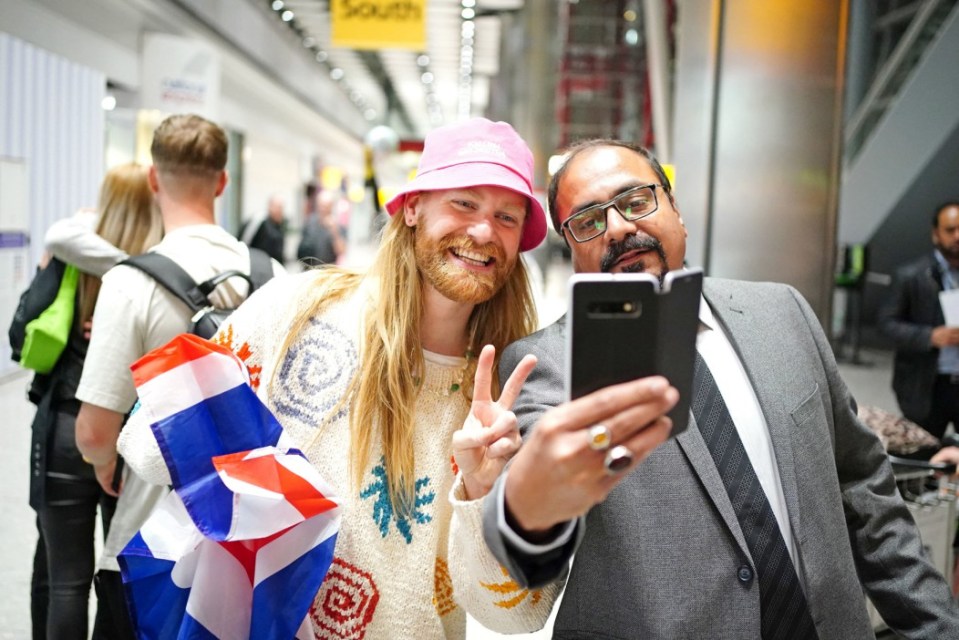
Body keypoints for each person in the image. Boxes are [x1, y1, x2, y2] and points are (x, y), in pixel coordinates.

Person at [483, 139, 959, 638]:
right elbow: (533, 522)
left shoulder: (784, 313)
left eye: (636, 201)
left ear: (676, 210)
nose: (620, 227)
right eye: (588, 221)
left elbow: (862, 482)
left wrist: (937, 625)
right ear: (571, 246)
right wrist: (528, 504)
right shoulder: (548, 365)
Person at [118, 118, 560, 638]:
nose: (484, 230)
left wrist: (484, 489)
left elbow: (517, 614)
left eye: (506, 216)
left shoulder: (511, 392)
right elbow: (145, 443)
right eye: (464, 203)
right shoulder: (300, 308)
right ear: (413, 208)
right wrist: (255, 469)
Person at [74, 114, 285, 638]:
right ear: (222, 181)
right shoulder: (273, 277)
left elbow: (95, 432)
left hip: (152, 540)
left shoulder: (130, 283)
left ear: (153, 179)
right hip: (251, 540)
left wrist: (106, 464)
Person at [28, 163, 162, 640]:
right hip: (131, 432)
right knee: (119, 569)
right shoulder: (156, 265)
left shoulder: (75, 252)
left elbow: (20, 329)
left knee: (65, 581)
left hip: (67, 423)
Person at [878, 202, 959, 440]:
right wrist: (930, 336)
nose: (958, 236)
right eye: (951, 229)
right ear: (936, 234)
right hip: (925, 386)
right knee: (923, 458)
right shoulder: (911, 276)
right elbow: (886, 324)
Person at [297, 188, 345, 267]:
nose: (323, 208)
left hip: (327, 271)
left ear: (331, 206)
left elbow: (341, 251)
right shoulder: (310, 221)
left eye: (326, 206)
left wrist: (334, 231)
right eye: (321, 205)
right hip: (310, 269)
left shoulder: (336, 224)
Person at [240, 194, 287, 264]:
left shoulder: (280, 226)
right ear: (270, 206)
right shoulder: (259, 221)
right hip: (255, 264)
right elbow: (244, 241)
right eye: (278, 207)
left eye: (281, 208)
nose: (280, 211)